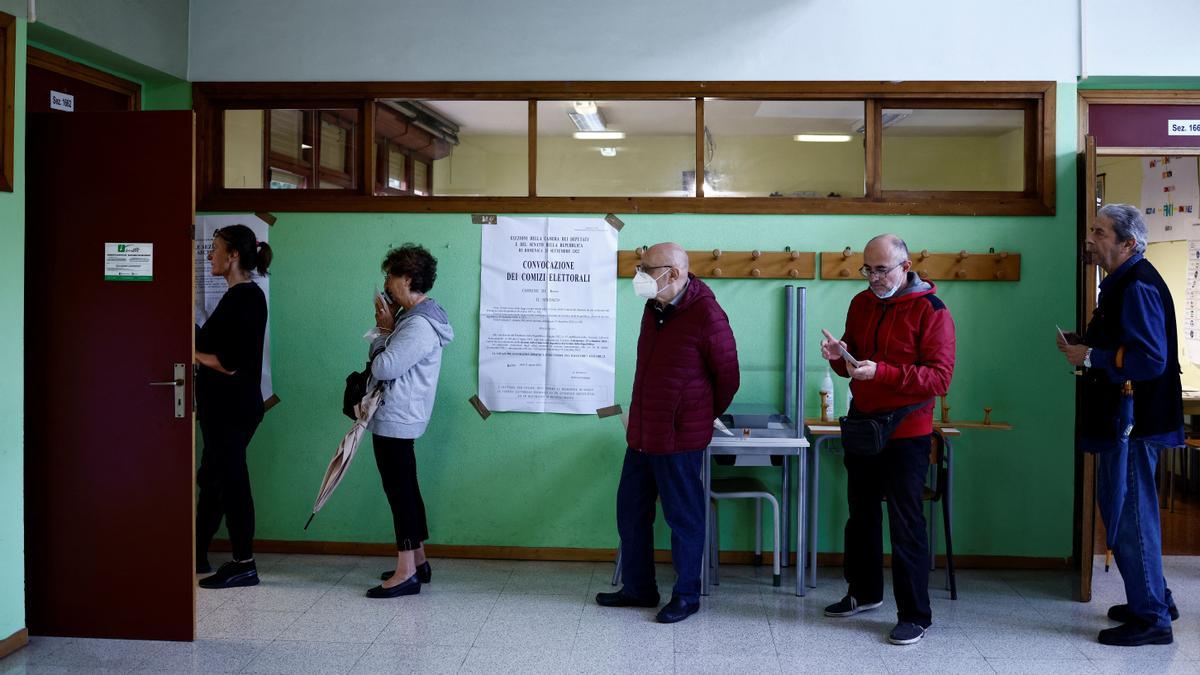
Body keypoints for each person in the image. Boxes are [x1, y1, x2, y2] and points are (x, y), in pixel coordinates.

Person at [819, 234, 955, 645]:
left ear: (906, 266)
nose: (874, 278)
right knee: (860, 514)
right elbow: (855, 365)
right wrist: (838, 357)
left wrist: (882, 373)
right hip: (864, 424)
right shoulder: (861, 303)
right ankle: (863, 593)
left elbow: (939, 378)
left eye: (882, 270)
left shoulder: (932, 310)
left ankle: (915, 614)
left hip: (907, 432)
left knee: (906, 521)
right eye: (868, 269)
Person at [1058, 204, 1182, 646]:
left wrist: (1091, 356)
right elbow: (1126, 343)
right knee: (1124, 514)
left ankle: (1152, 620)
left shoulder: (1136, 286)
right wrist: (1086, 344)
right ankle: (1155, 599)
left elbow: (1150, 358)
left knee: (1130, 517)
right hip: (1124, 419)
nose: (1091, 239)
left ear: (1128, 243)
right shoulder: (1122, 283)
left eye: (1100, 232)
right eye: (1092, 229)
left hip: (1134, 422)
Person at [595, 242, 739, 623]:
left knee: (683, 518)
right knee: (630, 512)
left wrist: (696, 415)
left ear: (673, 273)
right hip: (642, 433)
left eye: (646, 268)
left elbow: (728, 378)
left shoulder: (707, 314)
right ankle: (639, 588)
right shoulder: (653, 307)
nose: (638, 275)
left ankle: (687, 595)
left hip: (679, 437)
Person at [364, 244, 455, 599]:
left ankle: (405, 574)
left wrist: (383, 332)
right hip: (403, 414)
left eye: (389, 275)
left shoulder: (417, 324)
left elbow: (385, 367)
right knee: (407, 488)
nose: (385, 284)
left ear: (406, 278)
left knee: (399, 492)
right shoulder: (418, 317)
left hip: (397, 416)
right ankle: (417, 560)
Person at [195, 225, 272, 589]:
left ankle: (244, 563)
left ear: (234, 256)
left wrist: (188, 353)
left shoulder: (246, 298)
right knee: (211, 480)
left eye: (216, 249)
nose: (210, 255)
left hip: (232, 408)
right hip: (222, 408)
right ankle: (196, 554)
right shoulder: (235, 297)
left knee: (232, 482)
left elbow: (229, 361)